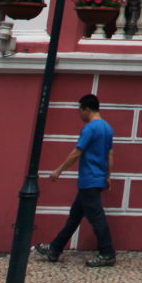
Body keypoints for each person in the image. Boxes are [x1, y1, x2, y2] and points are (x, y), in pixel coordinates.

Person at [35, 94, 116, 267]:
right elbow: (110, 154)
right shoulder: (107, 128)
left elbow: (76, 152)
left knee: (96, 217)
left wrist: (59, 170)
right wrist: (108, 176)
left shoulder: (90, 128)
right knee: (75, 217)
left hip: (89, 179)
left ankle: (107, 253)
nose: (79, 113)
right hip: (97, 178)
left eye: (79, 109)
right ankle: (55, 248)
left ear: (87, 109)